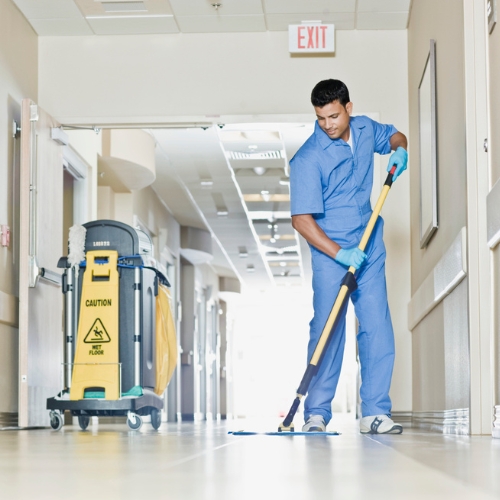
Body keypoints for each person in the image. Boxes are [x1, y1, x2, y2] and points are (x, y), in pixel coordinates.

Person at [289, 79, 408, 434]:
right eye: (321, 117)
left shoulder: (365, 128)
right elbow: (301, 220)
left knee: (376, 326)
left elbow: (395, 136)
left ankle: (374, 411)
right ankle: (317, 412)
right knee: (328, 330)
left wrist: (399, 151)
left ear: (348, 107)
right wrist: (340, 253)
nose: (328, 124)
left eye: (334, 115)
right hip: (331, 253)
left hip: (369, 244)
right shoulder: (308, 158)